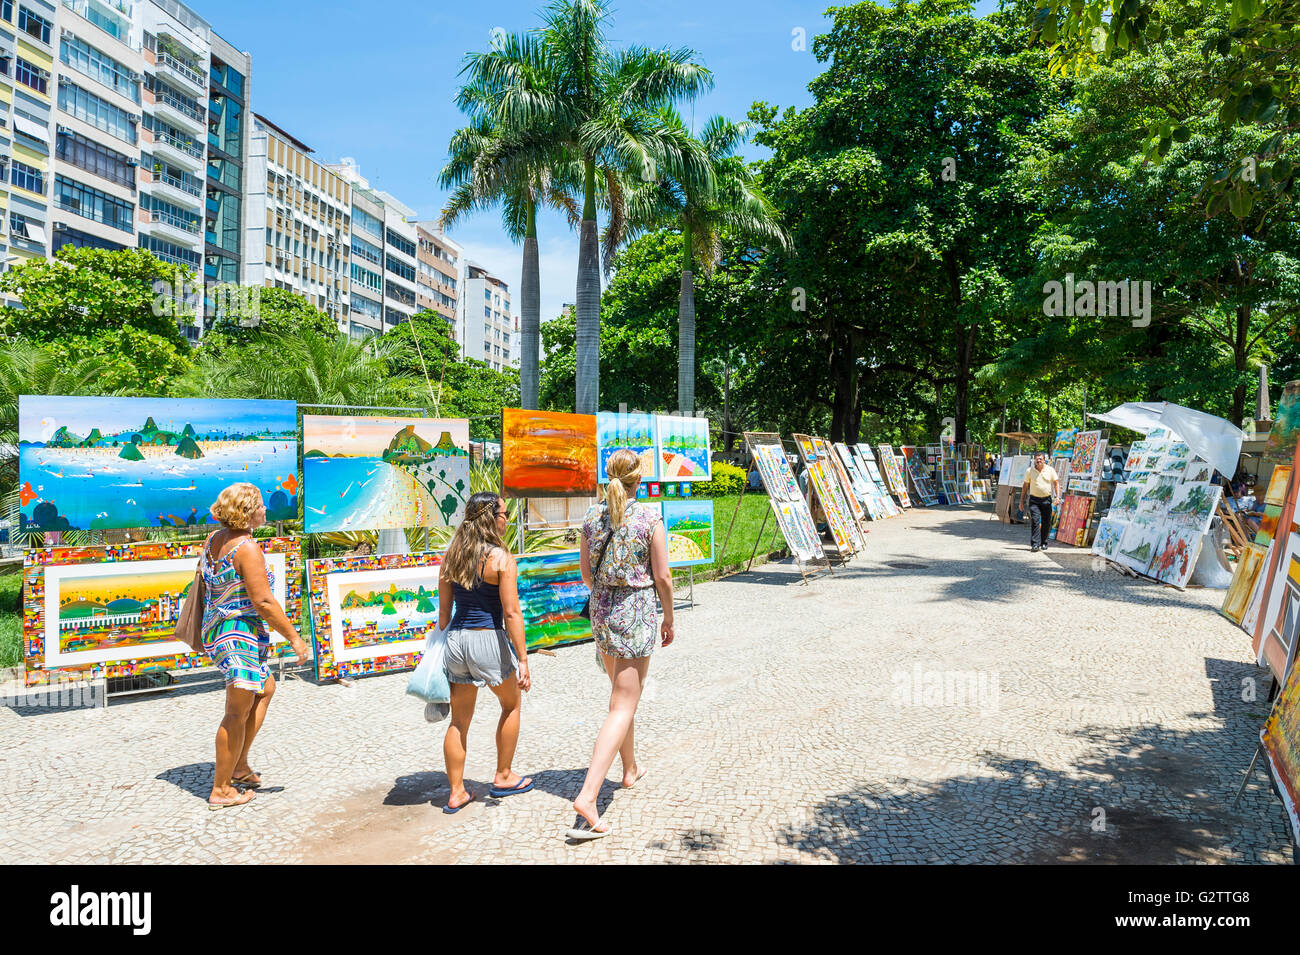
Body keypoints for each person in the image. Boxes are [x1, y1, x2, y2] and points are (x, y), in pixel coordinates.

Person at [569, 448, 674, 840]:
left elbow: (585, 574)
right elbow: (662, 577)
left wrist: (606, 597)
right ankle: (589, 796)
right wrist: (669, 617)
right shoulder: (649, 518)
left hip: (602, 610)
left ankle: (629, 769)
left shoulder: (591, 517)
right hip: (635, 611)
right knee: (623, 703)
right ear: (639, 479)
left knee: (619, 696)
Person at [201, 483, 311, 810]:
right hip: (237, 636)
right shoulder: (246, 548)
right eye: (261, 505)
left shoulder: (214, 540)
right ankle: (221, 788)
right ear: (248, 512)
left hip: (222, 631)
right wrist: (294, 637)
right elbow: (262, 600)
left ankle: (239, 763)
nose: (266, 510)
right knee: (235, 712)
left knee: (265, 688)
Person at [437, 491, 532, 814]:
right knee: (511, 704)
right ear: (492, 519)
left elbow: (443, 618)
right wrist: (522, 658)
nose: (507, 519)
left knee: (459, 720)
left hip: (457, 641)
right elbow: (511, 613)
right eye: (504, 514)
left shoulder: (451, 556)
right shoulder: (501, 559)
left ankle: (456, 792)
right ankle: (504, 776)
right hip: (487, 639)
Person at [1019, 451, 1060, 553]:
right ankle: (1035, 544)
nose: (1038, 461)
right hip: (1034, 500)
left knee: (1046, 522)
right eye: (1037, 459)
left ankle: (1044, 542)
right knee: (1035, 521)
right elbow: (1025, 487)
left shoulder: (1050, 470)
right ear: (1034, 460)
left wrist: (1057, 497)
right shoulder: (1029, 471)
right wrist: (1021, 501)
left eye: (1040, 459)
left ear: (1044, 460)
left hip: (1047, 500)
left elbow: (1056, 483)